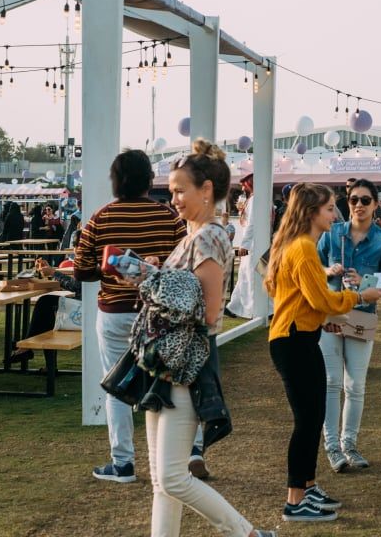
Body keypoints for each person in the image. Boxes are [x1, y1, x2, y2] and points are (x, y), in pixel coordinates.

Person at [141, 140, 275, 537]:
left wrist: (152, 280)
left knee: (173, 477)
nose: (174, 197)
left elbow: (210, 313)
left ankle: (247, 533)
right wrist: (150, 274)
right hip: (166, 362)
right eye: (172, 189)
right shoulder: (194, 235)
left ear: (207, 191)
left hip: (186, 364)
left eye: (181, 190)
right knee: (162, 480)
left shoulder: (208, 238)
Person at [264, 183, 381, 523]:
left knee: (313, 417)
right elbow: (321, 299)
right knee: (306, 422)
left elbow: (305, 299)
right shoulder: (303, 247)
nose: (338, 214)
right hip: (293, 340)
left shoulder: (301, 245)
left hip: (300, 336)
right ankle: (295, 501)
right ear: (311, 212)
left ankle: (307, 486)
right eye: (331, 208)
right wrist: (361, 297)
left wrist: (324, 314)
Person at [73, 149, 187, 484]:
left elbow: (81, 271)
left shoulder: (100, 217)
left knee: (118, 386)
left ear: (116, 180)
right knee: (164, 383)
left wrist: (110, 271)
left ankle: (123, 462)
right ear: (149, 180)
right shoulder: (169, 218)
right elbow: (183, 264)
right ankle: (172, 458)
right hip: (159, 314)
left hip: (114, 313)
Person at [316, 178, 381, 472]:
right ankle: (332, 447)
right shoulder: (333, 233)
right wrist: (328, 270)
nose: (358, 205)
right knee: (331, 382)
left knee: (356, 385)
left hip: (363, 314)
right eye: (353, 200)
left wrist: (367, 282)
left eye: (364, 200)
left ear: (375, 204)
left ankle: (350, 444)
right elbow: (314, 266)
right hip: (331, 312)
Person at [227, 173, 257, 319]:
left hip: (252, 245)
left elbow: (251, 224)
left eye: (245, 184)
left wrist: (244, 244)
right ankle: (235, 306)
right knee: (244, 275)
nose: (243, 188)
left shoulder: (254, 200)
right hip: (253, 243)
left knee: (250, 276)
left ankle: (252, 309)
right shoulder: (254, 199)